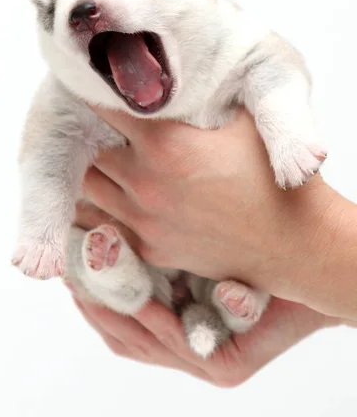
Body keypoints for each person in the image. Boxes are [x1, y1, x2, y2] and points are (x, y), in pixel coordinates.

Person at [67, 108, 356, 386]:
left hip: (214, 263)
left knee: (233, 292)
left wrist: (312, 249)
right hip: (146, 265)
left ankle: (226, 306)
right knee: (94, 268)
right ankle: (114, 273)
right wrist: (317, 299)